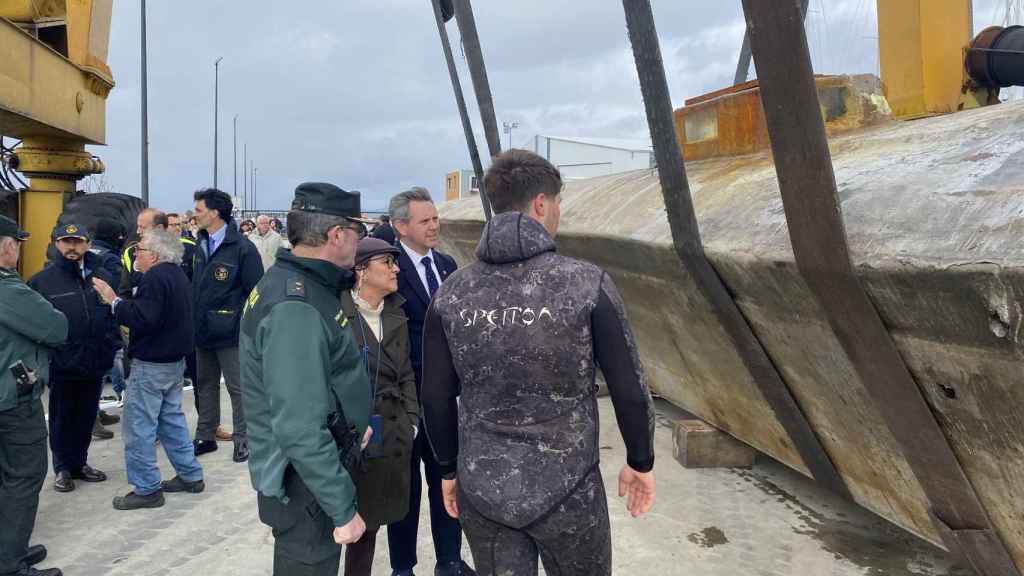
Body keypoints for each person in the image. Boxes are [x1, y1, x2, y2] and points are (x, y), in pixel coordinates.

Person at [421, 150, 657, 576]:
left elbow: (435, 396)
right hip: (569, 488)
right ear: (542, 203)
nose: (559, 212)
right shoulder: (586, 283)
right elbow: (629, 388)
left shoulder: (451, 293)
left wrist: (447, 469)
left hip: (483, 487)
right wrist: (640, 460)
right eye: (559, 203)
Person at [240, 182, 373, 576]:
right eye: (358, 231)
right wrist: (342, 508)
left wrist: (354, 423)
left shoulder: (299, 283)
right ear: (337, 235)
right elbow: (298, 426)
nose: (360, 241)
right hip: (306, 484)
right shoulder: (296, 306)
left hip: (311, 472)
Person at [386, 187, 471, 576]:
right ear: (401, 226)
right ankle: (403, 567)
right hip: (406, 398)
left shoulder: (447, 265)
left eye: (436, 218)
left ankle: (449, 561)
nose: (434, 226)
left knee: (446, 479)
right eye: (425, 221)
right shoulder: (388, 269)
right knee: (405, 489)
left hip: (446, 398)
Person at [92, 229, 205, 510]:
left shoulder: (154, 278)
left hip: (152, 364)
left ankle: (147, 488)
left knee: (139, 428)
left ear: (153, 255)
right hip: (173, 362)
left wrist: (114, 300)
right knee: (171, 421)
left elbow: (143, 318)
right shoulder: (177, 274)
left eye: (139, 250)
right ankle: (190, 475)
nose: (135, 255)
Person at [340, 238, 418, 576]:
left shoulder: (395, 312)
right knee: (343, 523)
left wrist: (412, 420)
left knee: (370, 522)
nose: (396, 268)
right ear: (361, 270)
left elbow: (406, 373)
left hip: (390, 429)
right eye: (387, 262)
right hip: (349, 434)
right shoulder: (335, 313)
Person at [0, 216, 68, 576]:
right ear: (5, 247)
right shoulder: (7, 289)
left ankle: (9, 547)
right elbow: (56, 327)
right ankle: (10, 563)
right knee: (24, 475)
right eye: (16, 243)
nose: (18, 250)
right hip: (12, 399)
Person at [28, 224, 117, 493]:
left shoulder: (102, 276)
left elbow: (113, 313)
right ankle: (63, 468)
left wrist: (110, 345)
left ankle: (80, 463)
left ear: (87, 244)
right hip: (62, 364)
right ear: (56, 244)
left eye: (77, 242)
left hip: (94, 360)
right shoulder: (42, 281)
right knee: (62, 418)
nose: (72, 247)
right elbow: (35, 326)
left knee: (86, 416)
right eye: (66, 241)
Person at [191, 189, 263, 462]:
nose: (194, 215)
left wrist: (244, 326)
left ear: (215, 213)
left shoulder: (242, 248)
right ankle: (205, 435)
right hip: (202, 329)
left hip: (232, 332)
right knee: (205, 383)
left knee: (238, 387)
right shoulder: (200, 244)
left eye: (199, 210)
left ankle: (244, 439)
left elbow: (255, 293)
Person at [89, 219, 127, 440]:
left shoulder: (91, 251)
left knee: (99, 369)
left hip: (90, 316)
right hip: (105, 317)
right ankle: (92, 417)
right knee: (103, 367)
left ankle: (95, 412)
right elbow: (118, 286)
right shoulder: (110, 258)